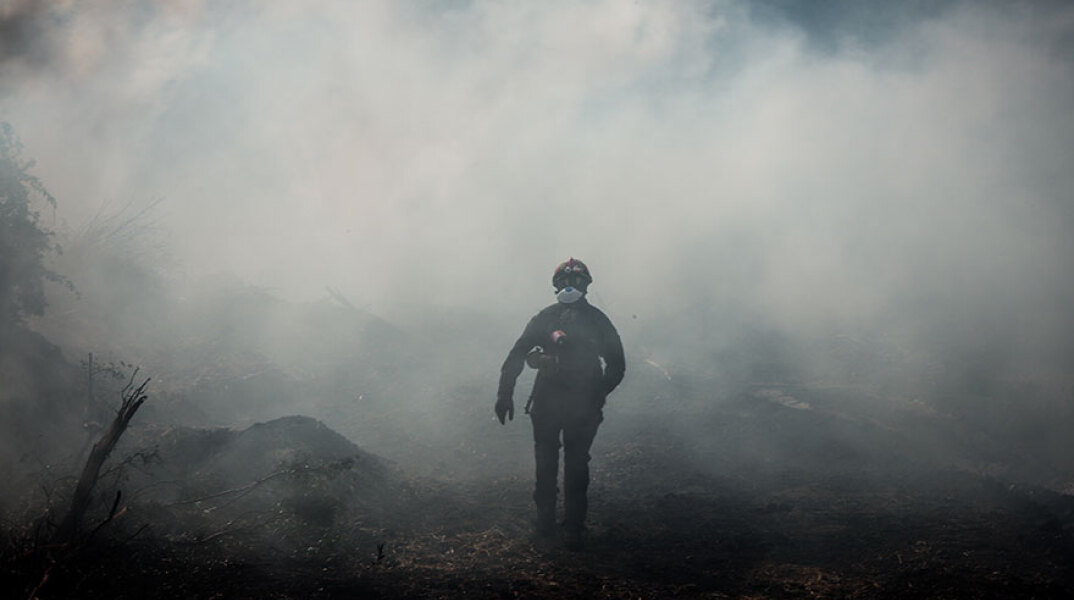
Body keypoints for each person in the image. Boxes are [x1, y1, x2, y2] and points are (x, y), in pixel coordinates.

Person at [495, 258, 625, 546]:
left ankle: (569, 528)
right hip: (555, 404)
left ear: (586, 285)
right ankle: (552, 526)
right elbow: (517, 356)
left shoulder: (557, 318)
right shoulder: (573, 319)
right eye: (565, 282)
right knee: (552, 463)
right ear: (556, 285)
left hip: (567, 404)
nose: (570, 286)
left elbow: (617, 364)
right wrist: (504, 394)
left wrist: (597, 393)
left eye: (575, 282)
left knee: (570, 464)